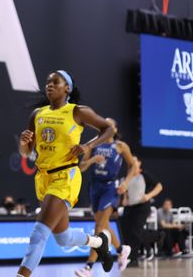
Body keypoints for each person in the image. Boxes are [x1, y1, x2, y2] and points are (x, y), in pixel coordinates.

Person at [16, 70, 117, 277]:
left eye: (55, 82)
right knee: (63, 239)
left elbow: (108, 129)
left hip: (65, 178)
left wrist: (88, 146)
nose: (49, 85)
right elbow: (27, 153)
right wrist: (23, 144)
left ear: (67, 88)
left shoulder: (77, 111)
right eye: (48, 82)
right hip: (43, 178)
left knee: (38, 234)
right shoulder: (37, 115)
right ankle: (99, 242)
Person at [74, 118, 135, 276]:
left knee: (99, 228)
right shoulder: (93, 144)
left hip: (110, 187)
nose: (103, 127)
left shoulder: (120, 146)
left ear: (114, 130)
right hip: (95, 187)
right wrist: (92, 159)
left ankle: (88, 267)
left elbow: (133, 165)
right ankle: (122, 250)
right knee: (104, 225)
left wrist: (126, 183)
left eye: (108, 125)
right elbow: (80, 168)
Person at [119, 156, 163, 262]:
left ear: (139, 163)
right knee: (127, 231)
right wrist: (124, 198)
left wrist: (148, 196)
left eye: (135, 161)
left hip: (141, 207)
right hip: (129, 207)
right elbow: (125, 189)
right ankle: (158, 235)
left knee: (136, 232)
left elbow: (159, 186)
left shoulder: (144, 175)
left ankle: (133, 259)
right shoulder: (126, 177)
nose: (132, 164)